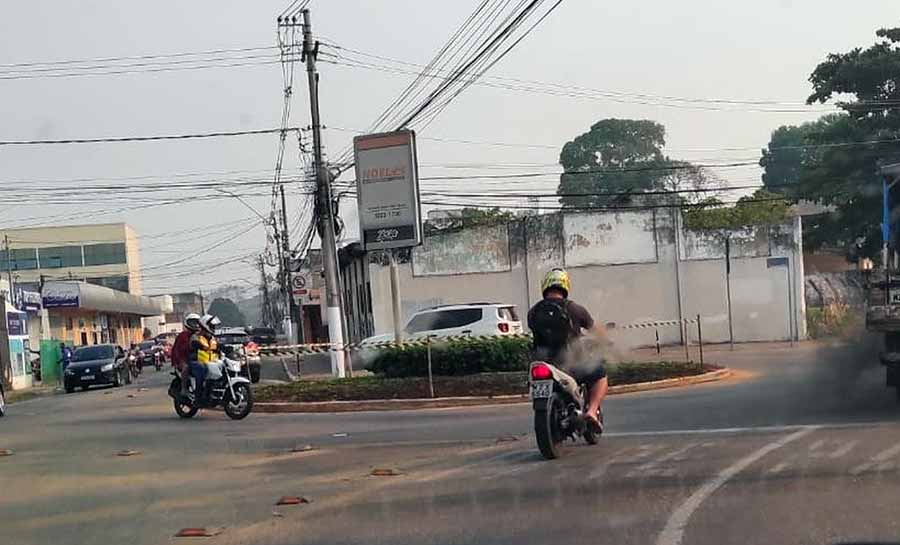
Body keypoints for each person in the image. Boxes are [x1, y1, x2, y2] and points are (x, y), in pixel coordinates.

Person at [527, 268, 609, 432]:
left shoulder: (533, 312)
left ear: (545, 286)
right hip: (571, 366)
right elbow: (595, 330)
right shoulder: (576, 309)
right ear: (565, 286)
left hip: (543, 364)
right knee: (600, 374)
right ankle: (592, 412)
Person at [187, 314, 221, 402]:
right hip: (197, 362)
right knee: (201, 369)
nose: (213, 328)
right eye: (212, 326)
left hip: (211, 362)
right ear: (205, 325)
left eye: (214, 326)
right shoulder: (196, 336)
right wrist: (198, 345)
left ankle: (216, 391)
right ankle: (198, 396)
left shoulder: (212, 338)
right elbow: (193, 343)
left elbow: (218, 347)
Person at [173, 313, 201, 399]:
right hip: (183, 359)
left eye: (197, 322)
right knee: (186, 368)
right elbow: (177, 350)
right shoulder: (182, 335)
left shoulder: (200, 335)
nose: (195, 325)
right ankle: (184, 389)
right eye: (192, 322)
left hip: (197, 358)